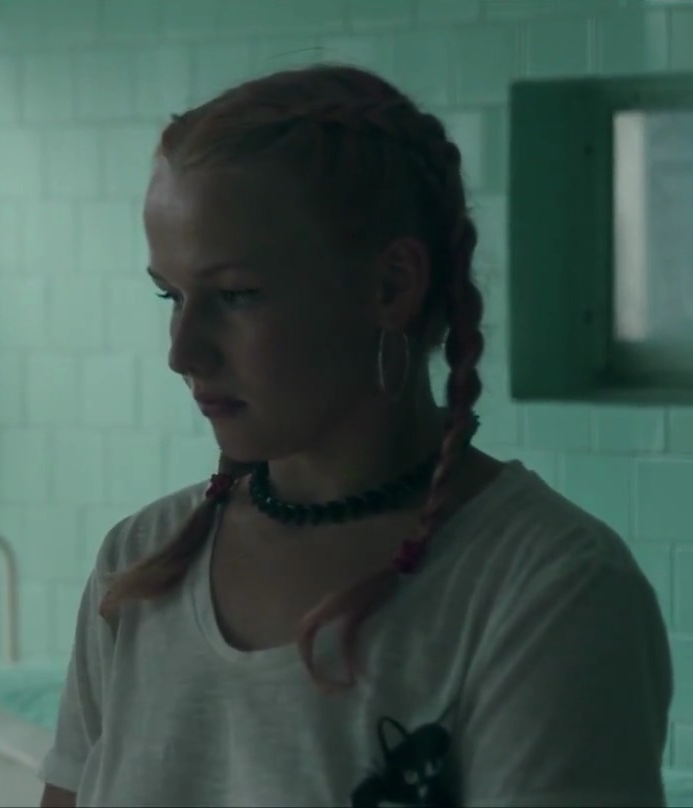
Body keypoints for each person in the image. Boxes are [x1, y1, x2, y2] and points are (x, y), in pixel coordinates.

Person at [40, 64, 673, 807]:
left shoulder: (548, 589)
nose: (183, 352)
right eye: (171, 296)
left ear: (391, 285)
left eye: (236, 295)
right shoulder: (140, 566)